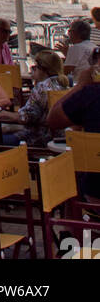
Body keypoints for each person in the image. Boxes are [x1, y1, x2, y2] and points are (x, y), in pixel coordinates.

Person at [48, 57, 100, 201]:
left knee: (71, 178)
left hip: (95, 195)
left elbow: (52, 119)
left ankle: (72, 222)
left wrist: (80, 85)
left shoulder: (91, 94)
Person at [0, 49, 68, 147]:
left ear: (43, 70)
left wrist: (7, 114)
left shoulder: (41, 88)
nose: (32, 70)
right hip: (59, 138)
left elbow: (26, 117)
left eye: (35, 67)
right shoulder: (63, 85)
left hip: (37, 139)